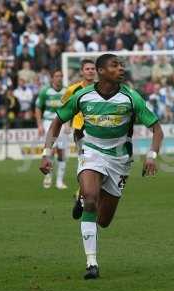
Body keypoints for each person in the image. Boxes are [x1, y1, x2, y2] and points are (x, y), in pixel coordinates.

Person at [39, 54, 163, 279]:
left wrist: (152, 156)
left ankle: (86, 204)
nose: (121, 69)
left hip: (120, 160)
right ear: (101, 71)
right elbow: (56, 122)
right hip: (91, 151)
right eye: (115, 65)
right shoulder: (82, 95)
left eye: (121, 65)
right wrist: (46, 152)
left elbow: (157, 129)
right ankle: (91, 263)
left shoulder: (131, 98)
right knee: (90, 198)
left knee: (103, 220)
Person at [61, 59, 96, 219]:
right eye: (87, 69)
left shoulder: (100, 89)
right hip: (80, 131)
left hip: (97, 132)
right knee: (90, 165)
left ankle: (80, 195)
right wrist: (67, 124)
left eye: (92, 68)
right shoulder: (73, 90)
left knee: (96, 167)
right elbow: (66, 108)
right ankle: (82, 196)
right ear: (82, 72)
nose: (90, 71)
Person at [35, 70, 68, 189]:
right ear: (52, 78)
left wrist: (69, 124)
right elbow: (38, 108)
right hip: (48, 122)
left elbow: (70, 108)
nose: (59, 78)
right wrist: (39, 125)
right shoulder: (45, 91)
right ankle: (48, 175)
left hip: (62, 122)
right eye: (57, 76)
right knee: (51, 150)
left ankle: (60, 181)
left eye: (61, 76)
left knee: (61, 151)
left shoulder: (66, 91)